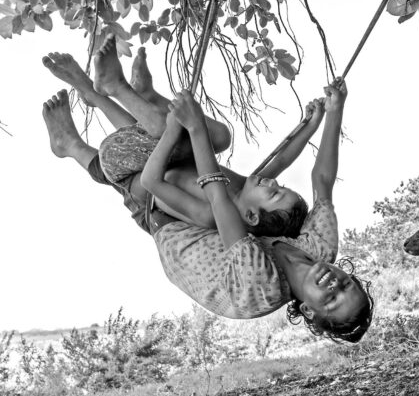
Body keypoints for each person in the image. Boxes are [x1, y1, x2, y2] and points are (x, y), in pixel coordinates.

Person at [42, 41, 374, 343]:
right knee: (203, 157)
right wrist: (333, 112)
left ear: (310, 312)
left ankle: (87, 121)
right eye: (345, 284)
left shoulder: (263, 284)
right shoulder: (319, 247)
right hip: (207, 213)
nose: (334, 284)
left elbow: (215, 197)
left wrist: (195, 125)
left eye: (331, 299)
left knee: (168, 158)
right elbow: (322, 183)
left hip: (177, 232)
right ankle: (110, 102)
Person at [43, 36, 311, 237]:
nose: (273, 182)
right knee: (219, 136)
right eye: (281, 185)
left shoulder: (208, 213)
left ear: (251, 215)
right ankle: (111, 94)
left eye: (274, 194)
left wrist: (176, 130)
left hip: (136, 184)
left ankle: (88, 120)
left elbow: (151, 182)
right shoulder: (244, 187)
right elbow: (282, 158)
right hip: (155, 156)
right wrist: (313, 121)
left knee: (162, 131)